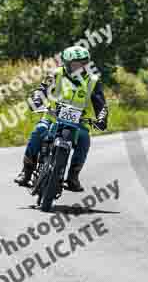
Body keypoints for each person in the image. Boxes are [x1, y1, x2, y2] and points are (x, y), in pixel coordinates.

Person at [13, 45, 108, 192]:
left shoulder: (93, 80)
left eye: (82, 64)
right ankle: (27, 171)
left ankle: (73, 177)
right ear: (66, 63)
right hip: (52, 118)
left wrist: (102, 118)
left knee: (84, 139)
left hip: (78, 123)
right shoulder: (55, 74)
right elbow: (42, 90)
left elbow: (101, 105)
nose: (79, 67)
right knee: (39, 130)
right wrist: (36, 100)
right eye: (75, 64)